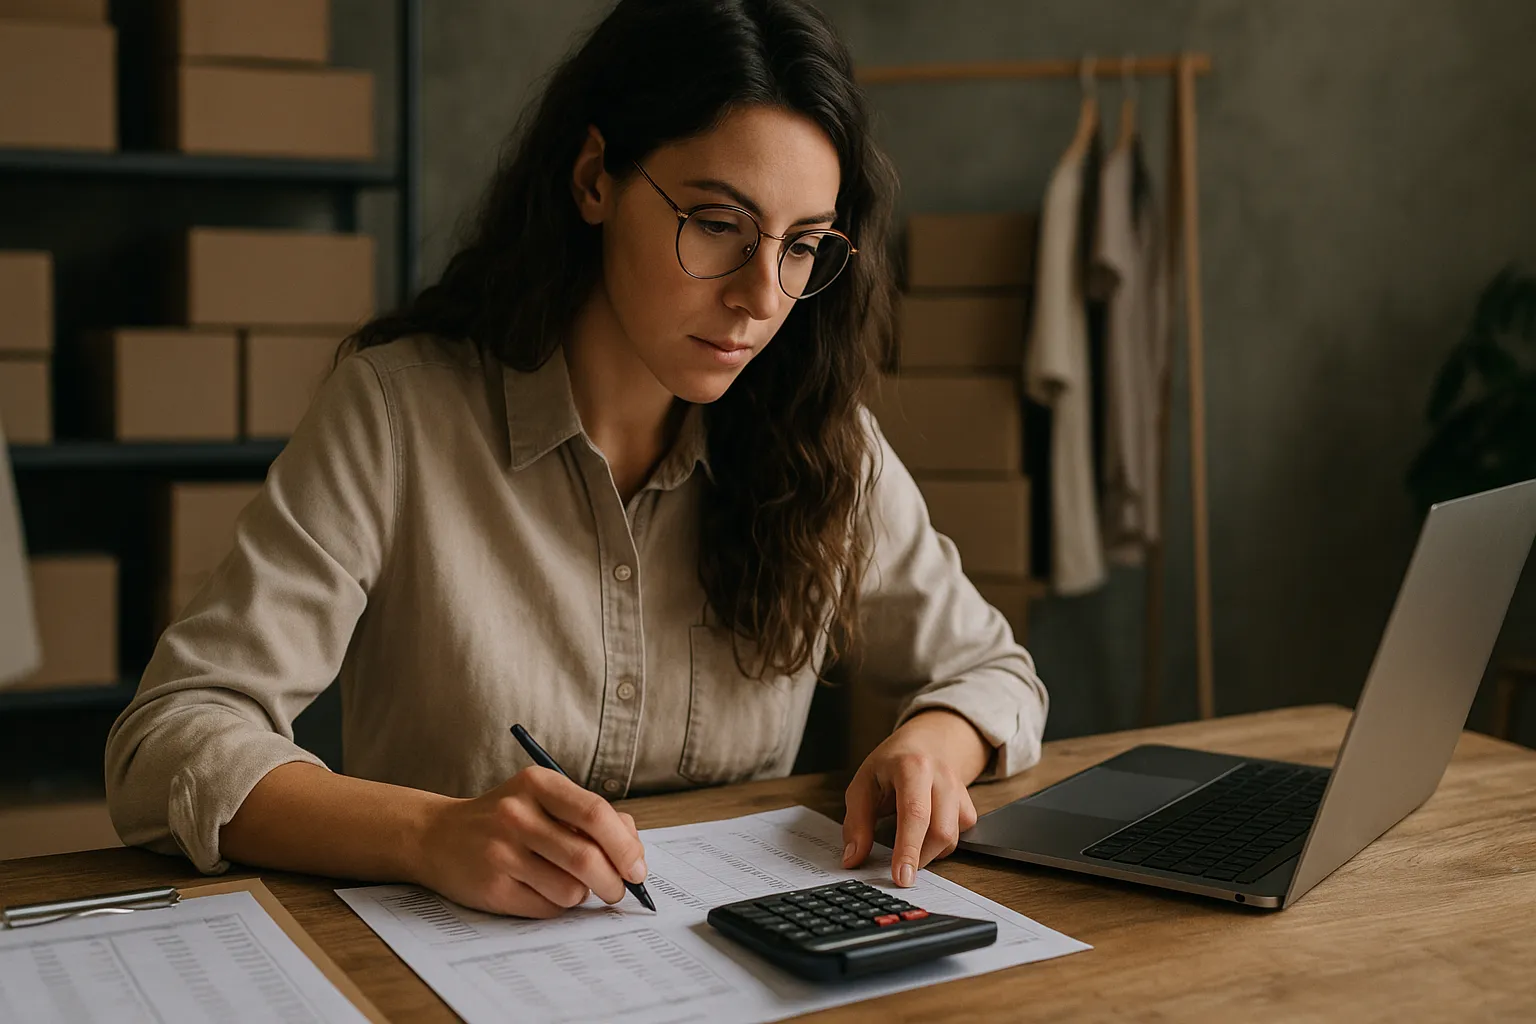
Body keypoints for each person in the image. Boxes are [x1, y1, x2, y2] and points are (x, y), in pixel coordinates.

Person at [105, 0, 1048, 920]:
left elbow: (996, 671)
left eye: (801, 246)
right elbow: (168, 741)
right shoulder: (399, 416)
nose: (763, 297)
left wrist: (934, 744)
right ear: (595, 178)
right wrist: (427, 833)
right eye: (717, 224)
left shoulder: (821, 442)